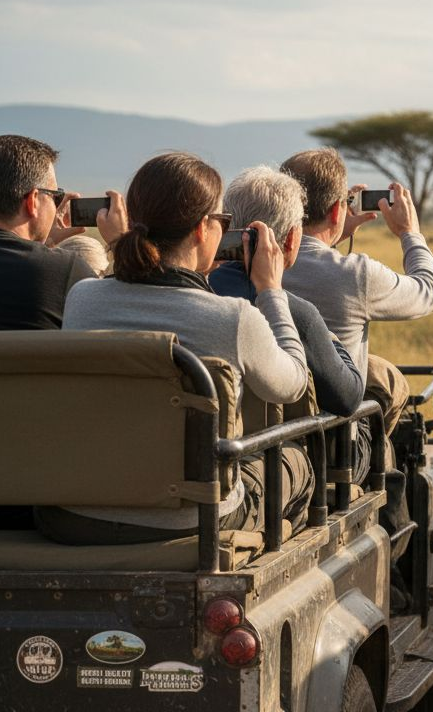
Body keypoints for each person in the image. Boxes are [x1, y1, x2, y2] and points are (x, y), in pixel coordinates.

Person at [36, 152, 314, 545]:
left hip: (76, 514)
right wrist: (271, 289)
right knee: (296, 462)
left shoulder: (82, 298)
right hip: (192, 520)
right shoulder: (233, 317)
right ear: (203, 228)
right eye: (222, 222)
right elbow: (291, 386)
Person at [280, 148, 433, 430]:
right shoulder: (355, 275)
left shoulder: (245, 265)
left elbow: (304, 258)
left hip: (270, 426)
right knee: (391, 383)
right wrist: (410, 233)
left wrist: (331, 236)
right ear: (336, 211)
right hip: (336, 439)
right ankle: (381, 468)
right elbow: (429, 292)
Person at [209, 166, 364, 418]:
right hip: (270, 449)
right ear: (292, 238)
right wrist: (330, 337)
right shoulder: (297, 313)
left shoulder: (198, 290)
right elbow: (349, 397)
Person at [0, 134, 127, 330]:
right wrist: (120, 242)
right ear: (32, 201)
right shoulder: (64, 271)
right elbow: (125, 316)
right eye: (55, 196)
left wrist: (44, 244)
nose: (57, 206)